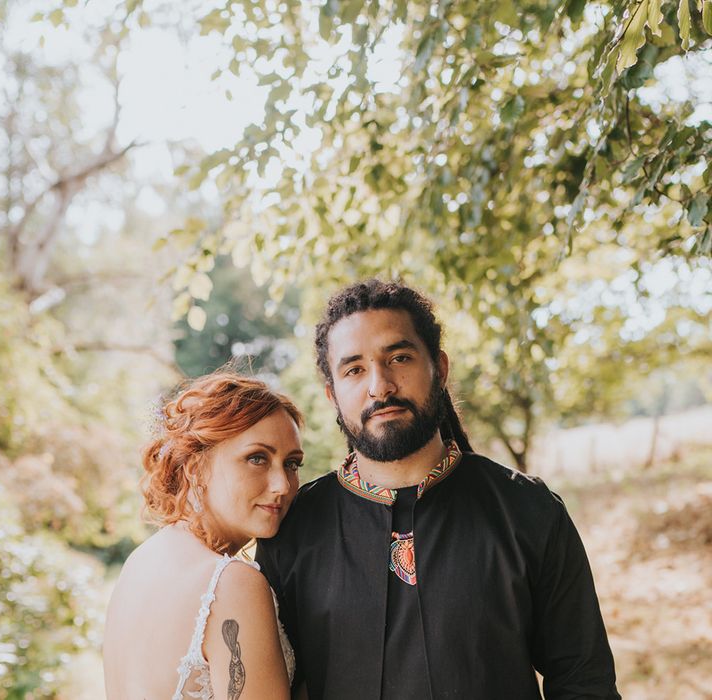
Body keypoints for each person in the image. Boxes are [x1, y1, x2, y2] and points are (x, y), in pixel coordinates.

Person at [256, 279, 621, 700]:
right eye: (354, 369)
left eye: (399, 357)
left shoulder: (529, 511)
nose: (380, 385)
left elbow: (583, 682)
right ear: (332, 394)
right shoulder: (292, 531)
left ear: (440, 369)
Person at [103, 372, 304, 700]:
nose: (282, 485)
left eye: (292, 464)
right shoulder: (232, 584)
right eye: (257, 458)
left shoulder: (138, 563)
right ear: (196, 468)